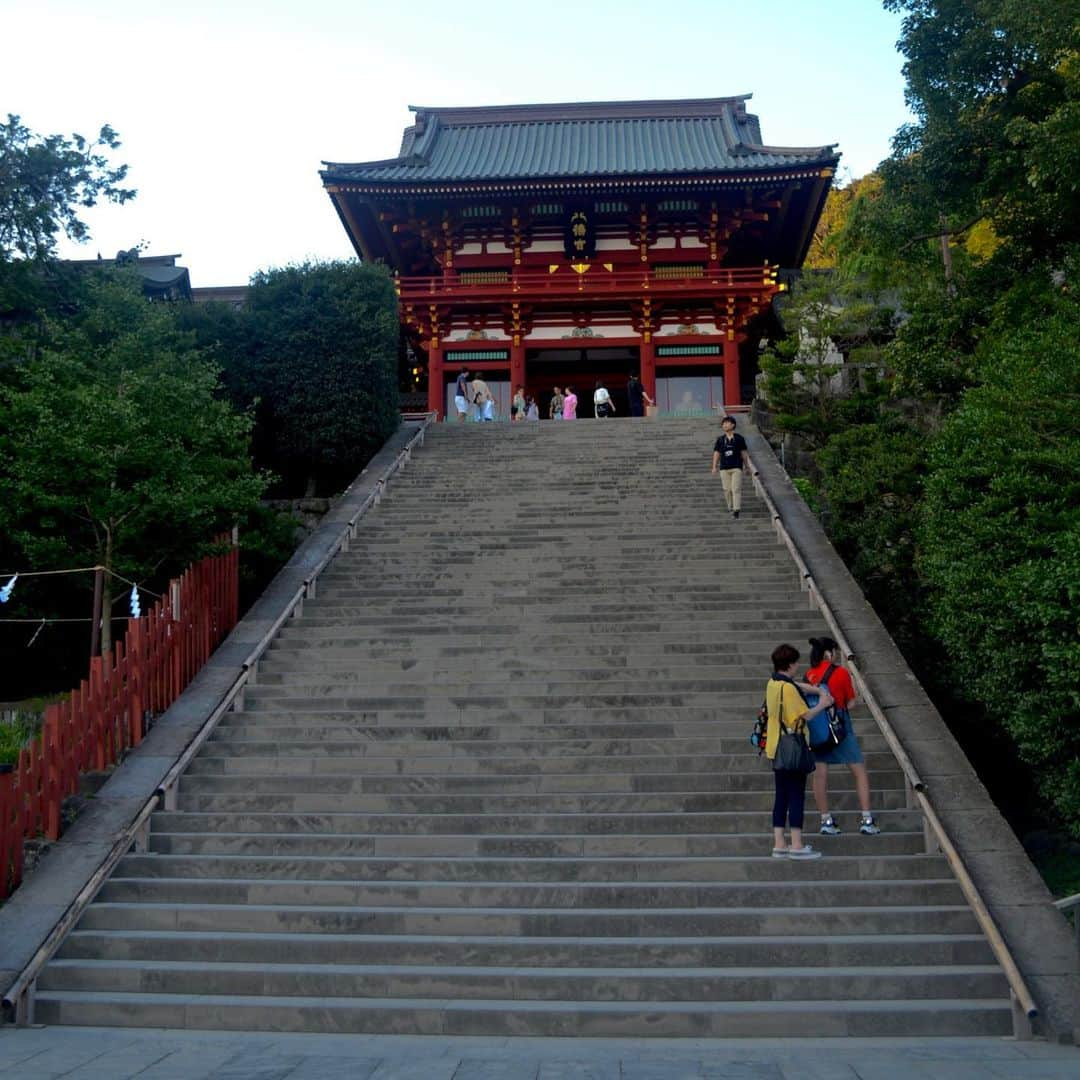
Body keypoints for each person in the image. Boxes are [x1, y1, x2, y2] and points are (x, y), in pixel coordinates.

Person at [806, 636, 881, 837]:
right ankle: (866, 819)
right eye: (835, 651)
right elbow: (851, 703)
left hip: (817, 730)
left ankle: (826, 820)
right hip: (840, 728)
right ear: (829, 653)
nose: (838, 655)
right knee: (859, 770)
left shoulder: (808, 676)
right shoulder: (840, 672)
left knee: (820, 775)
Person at [766, 643, 834, 859]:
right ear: (790, 664)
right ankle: (796, 844)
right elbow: (806, 715)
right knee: (796, 795)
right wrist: (823, 703)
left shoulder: (773, 683)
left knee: (781, 796)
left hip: (776, 746)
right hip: (793, 747)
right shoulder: (789, 690)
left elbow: (792, 685)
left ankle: (779, 842)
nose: (797, 666)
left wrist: (813, 688)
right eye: (795, 663)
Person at [710, 415, 751, 520]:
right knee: (727, 489)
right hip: (724, 468)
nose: (724, 425)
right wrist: (714, 466)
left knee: (736, 488)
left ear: (733, 425)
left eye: (727, 423)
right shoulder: (720, 440)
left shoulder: (739, 438)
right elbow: (716, 453)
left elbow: (744, 453)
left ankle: (736, 510)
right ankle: (730, 507)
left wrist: (747, 466)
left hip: (736, 467)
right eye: (723, 424)